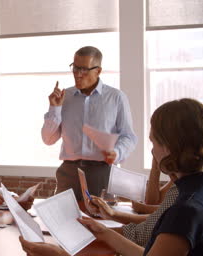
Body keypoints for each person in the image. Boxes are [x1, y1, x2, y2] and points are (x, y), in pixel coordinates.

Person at [20, 98, 203, 256]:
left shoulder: (186, 211)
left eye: (153, 142)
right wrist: (104, 232)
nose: (152, 151)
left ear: (170, 147)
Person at [41, 46, 137, 200]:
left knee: (101, 220)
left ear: (98, 71)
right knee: (61, 220)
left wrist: (117, 152)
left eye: (84, 69)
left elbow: (129, 137)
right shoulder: (65, 97)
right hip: (68, 172)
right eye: (75, 68)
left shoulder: (116, 98)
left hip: (101, 172)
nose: (78, 74)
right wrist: (55, 108)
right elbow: (48, 139)